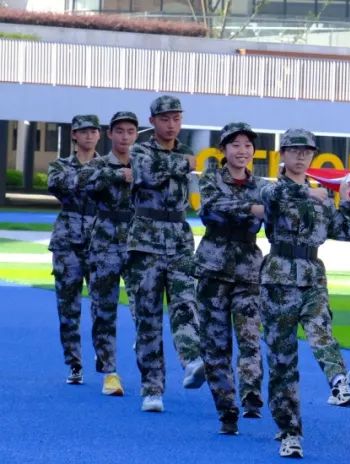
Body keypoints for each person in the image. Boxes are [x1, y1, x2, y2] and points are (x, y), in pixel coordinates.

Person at [261, 128, 350, 458]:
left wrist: (348, 201)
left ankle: (339, 381)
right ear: (283, 155)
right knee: (282, 361)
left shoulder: (322, 198)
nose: (301, 156)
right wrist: (311, 193)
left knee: (322, 332)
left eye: (307, 151)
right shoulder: (272, 189)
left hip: (313, 276)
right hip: (278, 280)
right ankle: (289, 430)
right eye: (294, 150)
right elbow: (276, 196)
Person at [127, 95, 205, 413]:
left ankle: (192, 359)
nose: (171, 125)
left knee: (185, 303)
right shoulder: (140, 150)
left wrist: (183, 162)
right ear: (152, 122)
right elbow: (148, 174)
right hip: (145, 240)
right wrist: (183, 164)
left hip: (179, 238)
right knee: (148, 316)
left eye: (176, 118)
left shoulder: (185, 151)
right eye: (164, 119)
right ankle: (152, 387)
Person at [195, 122, 268, 435]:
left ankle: (251, 394)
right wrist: (252, 209)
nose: (242, 151)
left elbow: (275, 211)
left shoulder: (262, 185)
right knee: (216, 344)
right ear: (223, 150)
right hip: (212, 269)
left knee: (250, 336)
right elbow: (212, 207)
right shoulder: (211, 178)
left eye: (247, 145)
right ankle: (226, 409)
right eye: (235, 145)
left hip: (249, 269)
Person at [80, 111, 139, 397]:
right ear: (110, 134)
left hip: (139, 241)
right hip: (105, 242)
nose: (125, 137)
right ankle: (110, 371)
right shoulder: (99, 164)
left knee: (144, 305)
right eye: (120, 131)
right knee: (104, 309)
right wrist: (118, 175)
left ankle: (147, 362)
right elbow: (84, 183)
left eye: (130, 131)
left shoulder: (145, 164)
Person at [47, 114, 100, 385]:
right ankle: (74, 363)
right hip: (67, 241)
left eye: (93, 131)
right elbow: (58, 184)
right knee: (68, 306)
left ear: (99, 135)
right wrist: (97, 176)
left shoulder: (109, 164)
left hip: (99, 240)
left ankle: (104, 357)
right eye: (83, 131)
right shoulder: (59, 165)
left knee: (102, 305)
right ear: (74, 135)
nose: (89, 135)